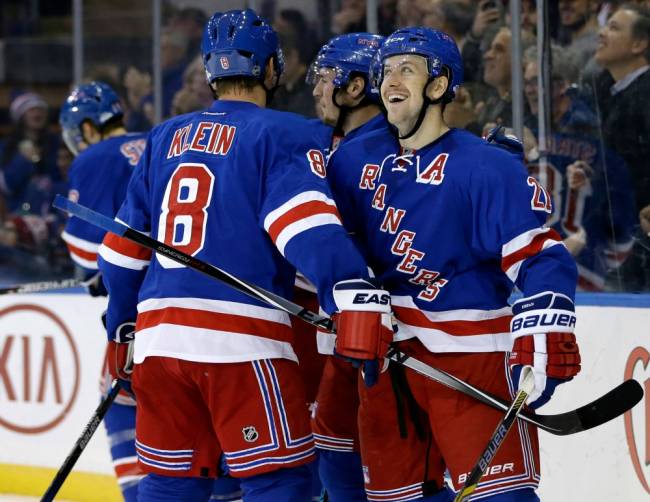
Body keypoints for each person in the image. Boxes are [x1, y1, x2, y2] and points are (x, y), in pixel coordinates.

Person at [97, 9, 391, 502]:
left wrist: (120, 329)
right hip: (240, 343)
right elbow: (306, 228)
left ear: (211, 70)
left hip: (158, 342)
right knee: (280, 481)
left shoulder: (165, 136)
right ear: (272, 70)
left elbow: (120, 256)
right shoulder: (285, 133)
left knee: (172, 483)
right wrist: (352, 296)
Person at [327, 27, 581, 501]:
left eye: (407, 69)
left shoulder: (484, 166)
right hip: (388, 361)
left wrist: (544, 325)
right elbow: (331, 246)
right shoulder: (353, 164)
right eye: (385, 71)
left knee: (501, 497)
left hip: (471, 362)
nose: (390, 81)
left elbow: (539, 255)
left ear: (439, 85)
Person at [59, 81, 149, 501]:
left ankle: (136, 494)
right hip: (192, 292)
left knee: (119, 398)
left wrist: (94, 276)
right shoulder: (160, 138)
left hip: (140, 315)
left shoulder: (95, 157)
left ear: (89, 127)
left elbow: (85, 250)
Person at [307, 32, 388, 501]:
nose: (316, 89)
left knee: (340, 455)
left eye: (323, 78)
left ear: (354, 88)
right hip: (353, 338)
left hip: (365, 343)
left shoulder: (353, 155)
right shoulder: (349, 147)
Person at [522, 46, 636, 291]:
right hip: (569, 268)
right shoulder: (530, 131)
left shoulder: (591, 135)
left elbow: (618, 212)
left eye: (536, 81)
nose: (529, 89)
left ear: (561, 86)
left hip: (576, 270)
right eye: (527, 82)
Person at [593, 3, 650, 212]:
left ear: (639, 44)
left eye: (614, 28)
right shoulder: (604, 90)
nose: (601, 33)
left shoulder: (646, 94)